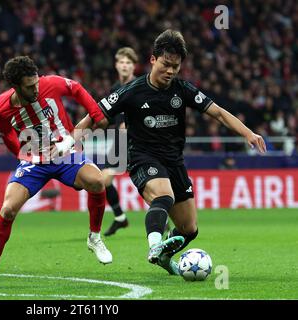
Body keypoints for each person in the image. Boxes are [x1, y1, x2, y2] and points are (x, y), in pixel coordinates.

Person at [80, 29, 266, 275]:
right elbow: (93, 117)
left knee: (189, 229)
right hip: (141, 156)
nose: (170, 71)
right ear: (153, 59)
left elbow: (218, 112)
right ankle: (155, 246)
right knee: (163, 196)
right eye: (166, 65)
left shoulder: (182, 89)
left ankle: (165, 257)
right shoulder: (131, 91)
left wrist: (248, 133)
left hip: (174, 161)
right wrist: (69, 140)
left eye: (175, 67)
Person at [0, 56, 112, 282]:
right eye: (30, 86)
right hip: (34, 161)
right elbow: (6, 134)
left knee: (97, 182)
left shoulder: (49, 83)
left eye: (36, 82)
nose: (36, 88)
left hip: (65, 152)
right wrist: (21, 154)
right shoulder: (2, 108)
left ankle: (94, 237)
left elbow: (76, 89)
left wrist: (96, 115)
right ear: (16, 86)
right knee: (8, 209)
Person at [103, 47, 138, 237]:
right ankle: (120, 218)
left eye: (128, 63)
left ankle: (164, 219)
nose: (125, 66)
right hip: (120, 140)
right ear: (117, 65)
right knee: (104, 179)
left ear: (134, 66)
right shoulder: (115, 88)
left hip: (138, 140)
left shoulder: (140, 86)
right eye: (122, 62)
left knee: (148, 184)